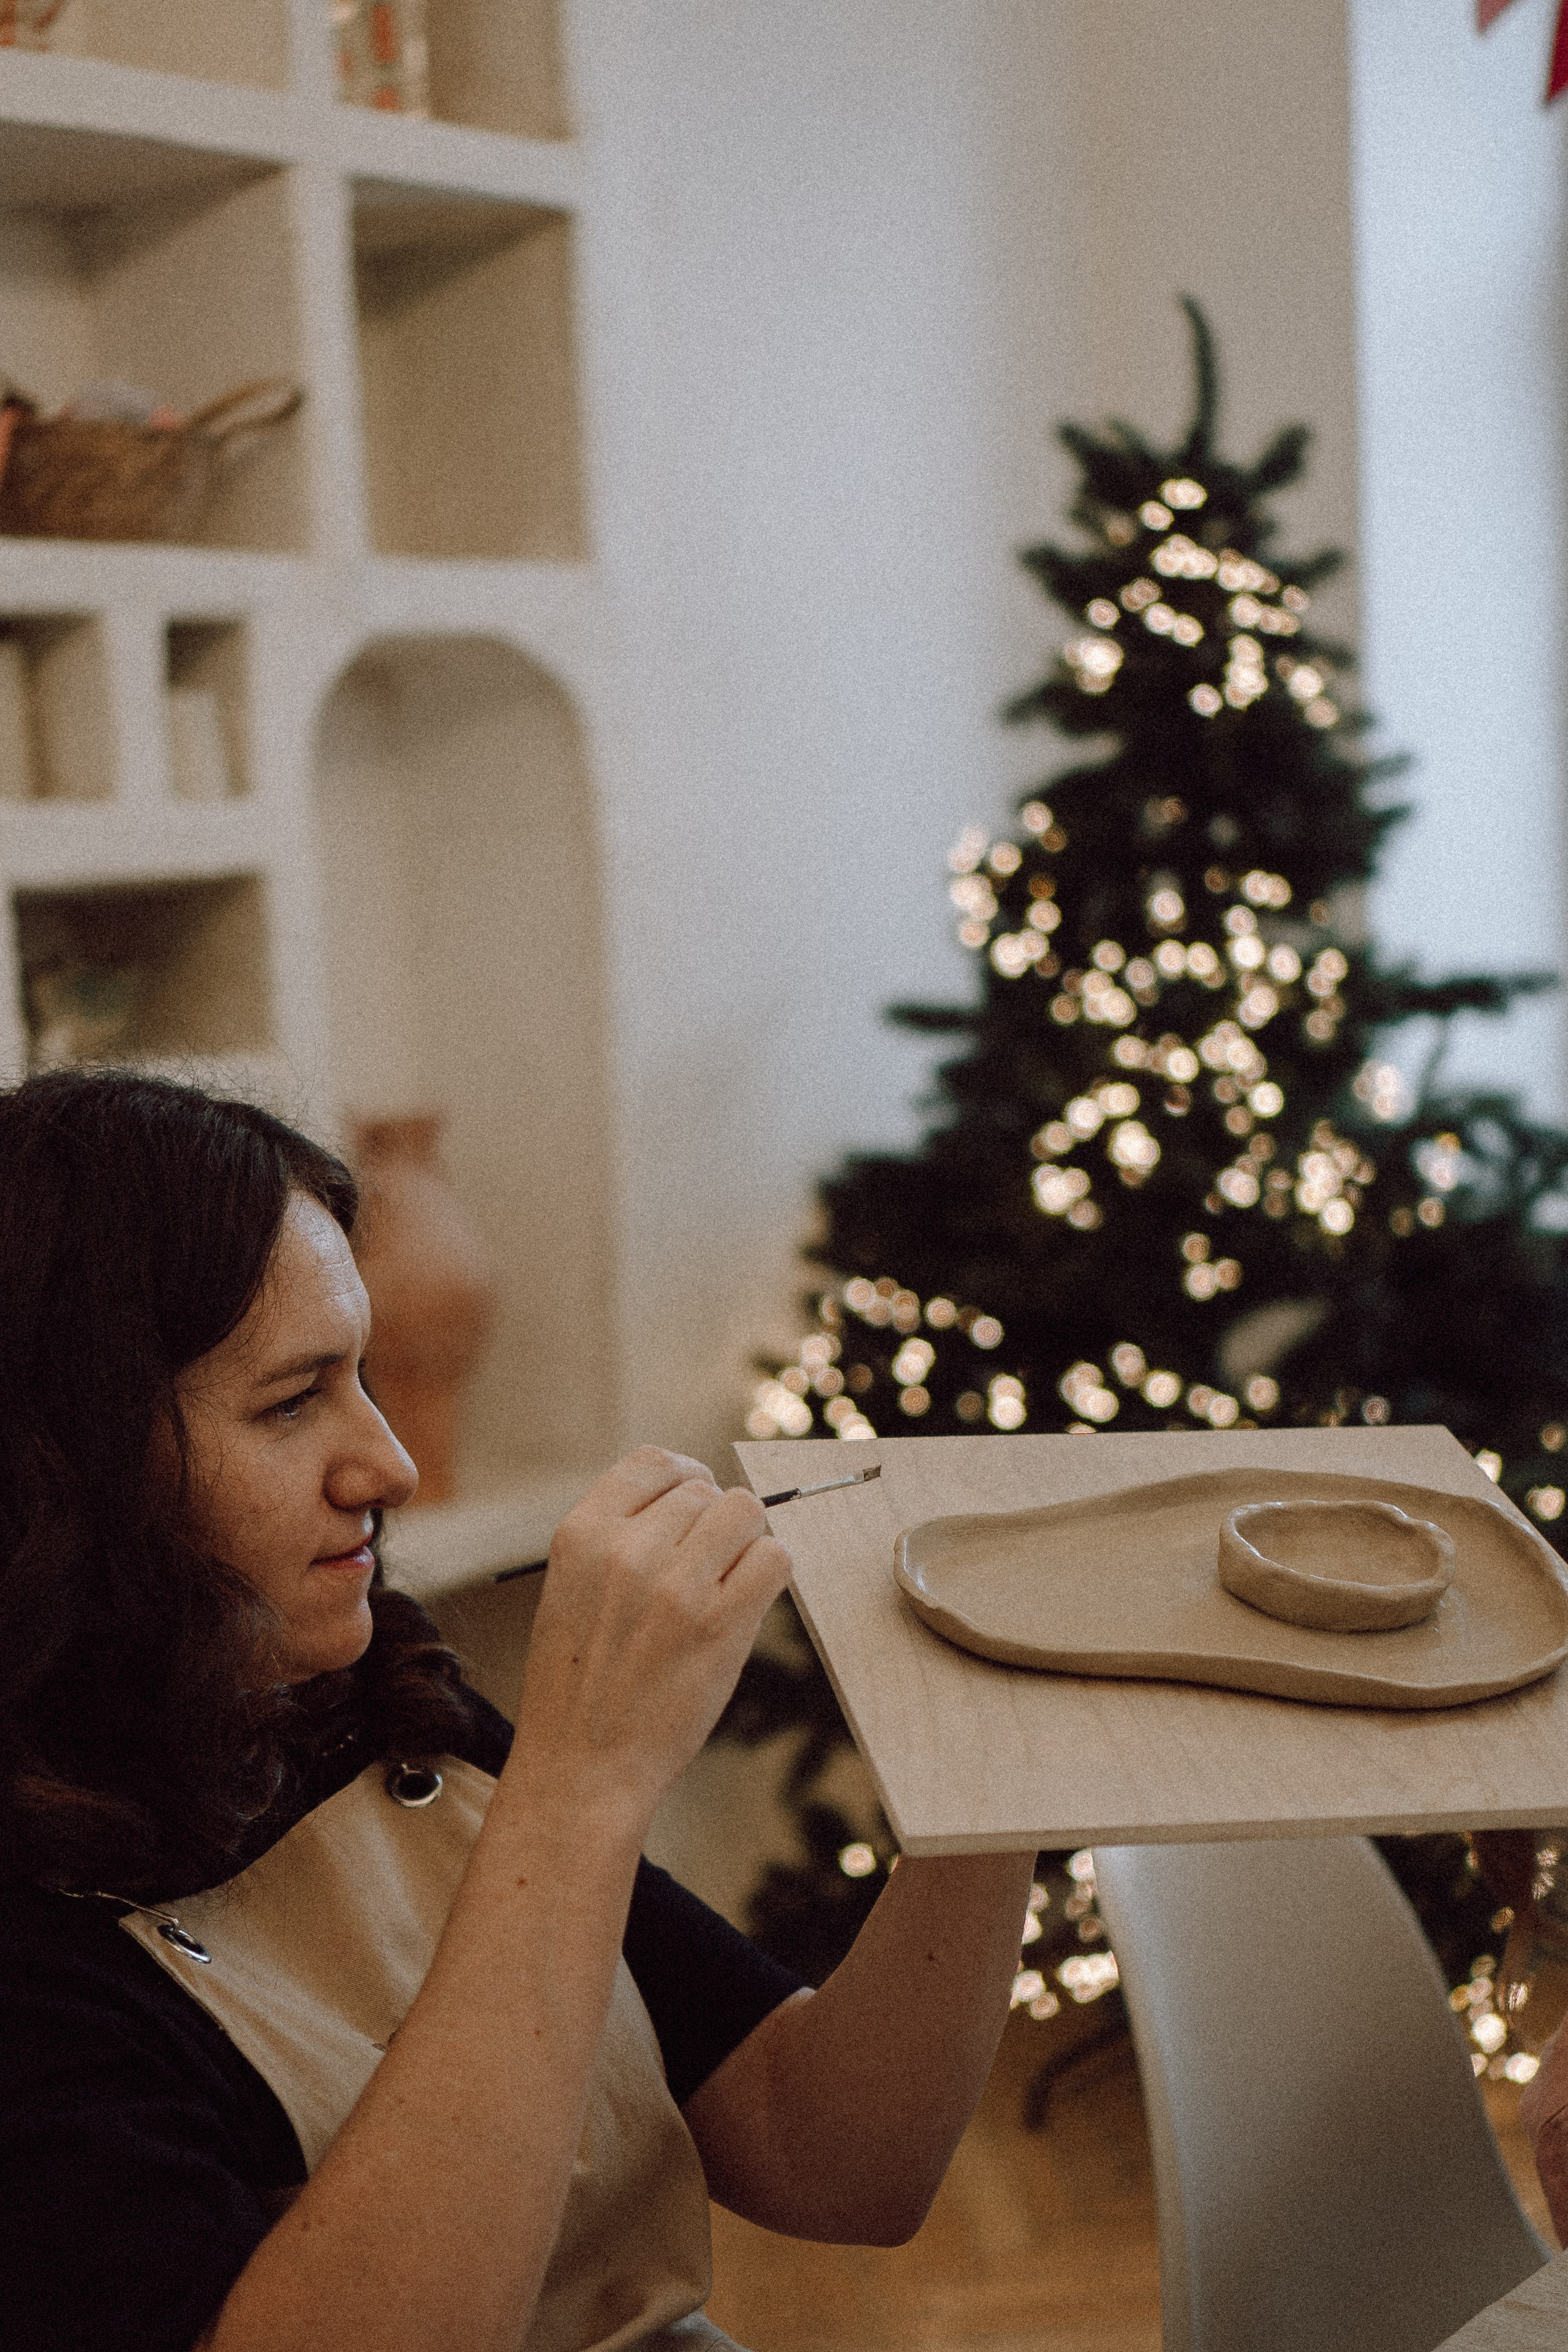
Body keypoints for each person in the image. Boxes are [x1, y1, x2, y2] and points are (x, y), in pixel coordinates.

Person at [0, 1069, 1034, 2352]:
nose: (389, 1466)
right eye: (292, 1401)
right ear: (62, 1469)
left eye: (364, 1376)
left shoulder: (363, 1714)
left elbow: (832, 2157)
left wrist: (997, 1763)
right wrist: (580, 1782)